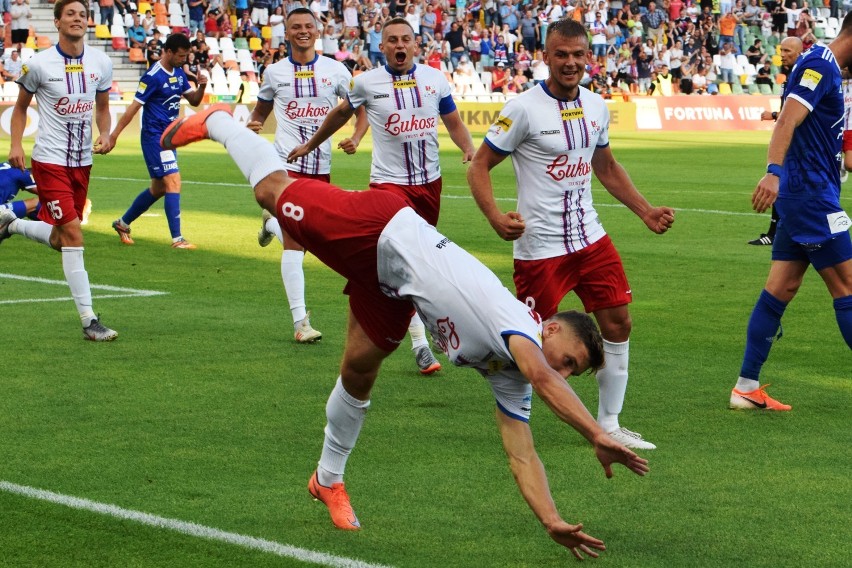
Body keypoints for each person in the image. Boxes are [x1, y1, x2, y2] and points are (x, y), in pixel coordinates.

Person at [160, 103, 650, 556]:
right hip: (381, 230)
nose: (562, 371)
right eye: (569, 359)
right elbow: (544, 378)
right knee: (272, 192)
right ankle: (221, 121)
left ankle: (327, 481)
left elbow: (522, 454)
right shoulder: (520, 325)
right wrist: (595, 434)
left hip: (393, 286)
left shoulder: (513, 376)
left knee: (358, 370)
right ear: (550, 327)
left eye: (573, 372)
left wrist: (551, 520)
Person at [467, 19, 676, 450]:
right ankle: (512, 414)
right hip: (540, 248)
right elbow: (478, 165)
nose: (570, 63)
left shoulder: (597, 106)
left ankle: (611, 423)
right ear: (545, 57)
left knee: (618, 322)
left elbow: (606, 168)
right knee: (525, 342)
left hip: (590, 238)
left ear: (588, 57)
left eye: (578, 55)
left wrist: (645, 211)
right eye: (561, 54)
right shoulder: (522, 108)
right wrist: (494, 218)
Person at [288, 17, 476, 374]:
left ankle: (418, 330)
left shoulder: (435, 80)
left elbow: (453, 122)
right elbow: (339, 115)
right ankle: (422, 343)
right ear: (383, 45)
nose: (399, 45)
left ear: (416, 45)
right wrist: (310, 144)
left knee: (414, 265)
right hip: (388, 189)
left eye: (406, 39)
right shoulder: (366, 83)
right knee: (408, 261)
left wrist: (469, 149)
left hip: (429, 187)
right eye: (392, 40)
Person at [730, 13, 852, 411]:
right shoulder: (819, 63)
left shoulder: (819, 61)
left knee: (780, 288)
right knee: (848, 288)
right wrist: (773, 173)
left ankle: (746, 387)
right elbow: (786, 120)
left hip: (805, 196)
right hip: (810, 196)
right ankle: (746, 386)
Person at [1, 0, 117, 341]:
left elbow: (103, 107)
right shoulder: (37, 64)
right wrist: (16, 144)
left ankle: (13, 223)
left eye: (82, 15)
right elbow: (20, 109)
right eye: (70, 14)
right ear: (57, 22)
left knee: (60, 238)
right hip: (50, 161)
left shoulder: (102, 62)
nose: (77, 19)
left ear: (88, 22)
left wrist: (106, 133)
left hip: (83, 162)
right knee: (74, 235)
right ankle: (89, 320)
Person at [248, 8, 364, 344]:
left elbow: (360, 105)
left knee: (311, 239)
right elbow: (261, 111)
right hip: (285, 167)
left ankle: (271, 224)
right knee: (296, 246)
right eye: (295, 27)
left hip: (321, 168)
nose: (302, 31)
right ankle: (300, 322)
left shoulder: (336, 70)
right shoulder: (274, 73)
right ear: (286, 33)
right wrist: (253, 125)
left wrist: (356, 136)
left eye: (307, 27)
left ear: (317, 31)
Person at [109, 33, 207, 251]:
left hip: (170, 138)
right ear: (169, 52)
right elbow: (133, 108)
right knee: (173, 180)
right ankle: (177, 239)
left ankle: (122, 224)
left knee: (159, 188)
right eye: (181, 56)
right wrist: (114, 135)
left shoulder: (180, 73)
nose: (184, 60)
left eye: (186, 56)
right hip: (155, 138)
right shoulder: (152, 76)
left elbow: (195, 101)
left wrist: (201, 86)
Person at [750, 37, 803, 246]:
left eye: (788, 51)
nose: (783, 54)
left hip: (798, 141)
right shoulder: (789, 76)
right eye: (781, 50)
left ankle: (776, 233)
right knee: (784, 183)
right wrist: (774, 115)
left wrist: (774, 115)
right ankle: (776, 232)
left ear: (799, 53)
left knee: (784, 182)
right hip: (791, 139)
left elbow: (797, 113)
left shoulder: (802, 76)